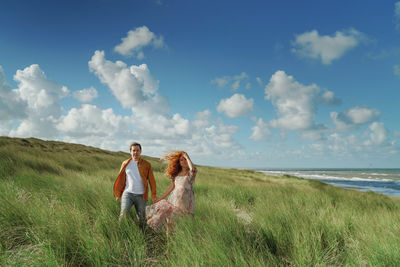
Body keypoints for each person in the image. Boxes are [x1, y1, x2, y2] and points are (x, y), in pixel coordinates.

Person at [146, 151, 197, 231]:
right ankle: (169, 240)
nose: (184, 161)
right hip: (175, 201)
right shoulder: (176, 174)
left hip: (187, 202)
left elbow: (193, 169)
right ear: (179, 162)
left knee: (184, 222)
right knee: (171, 221)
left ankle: (183, 237)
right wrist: (160, 199)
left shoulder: (190, 172)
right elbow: (171, 188)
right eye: (181, 160)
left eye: (185, 159)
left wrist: (187, 157)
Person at [113, 142, 157, 228]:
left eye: (137, 150)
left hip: (141, 196)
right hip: (128, 194)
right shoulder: (125, 163)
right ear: (130, 151)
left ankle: (142, 235)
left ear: (140, 151)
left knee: (142, 219)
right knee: (123, 216)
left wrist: (153, 195)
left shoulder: (146, 164)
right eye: (133, 150)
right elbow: (120, 180)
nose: (135, 152)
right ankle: (119, 234)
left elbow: (152, 181)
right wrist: (118, 194)